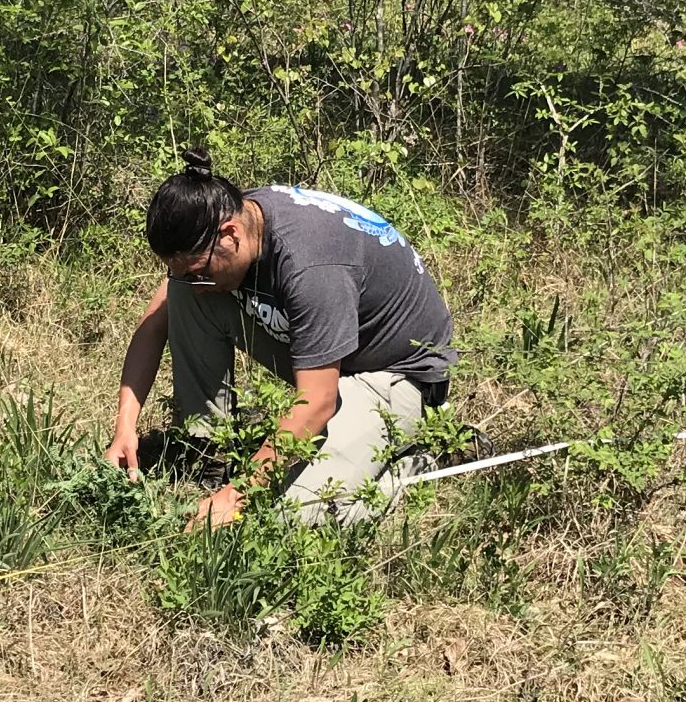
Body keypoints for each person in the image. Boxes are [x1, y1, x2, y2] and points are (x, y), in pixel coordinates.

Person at [106, 154, 455, 525]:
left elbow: (317, 401)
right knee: (181, 296)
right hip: (333, 355)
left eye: (199, 270)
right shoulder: (238, 216)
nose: (196, 282)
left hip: (396, 373)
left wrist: (237, 494)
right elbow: (155, 320)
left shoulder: (312, 267)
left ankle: (415, 458)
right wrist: (125, 426)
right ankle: (208, 447)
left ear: (230, 235)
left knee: (295, 513)